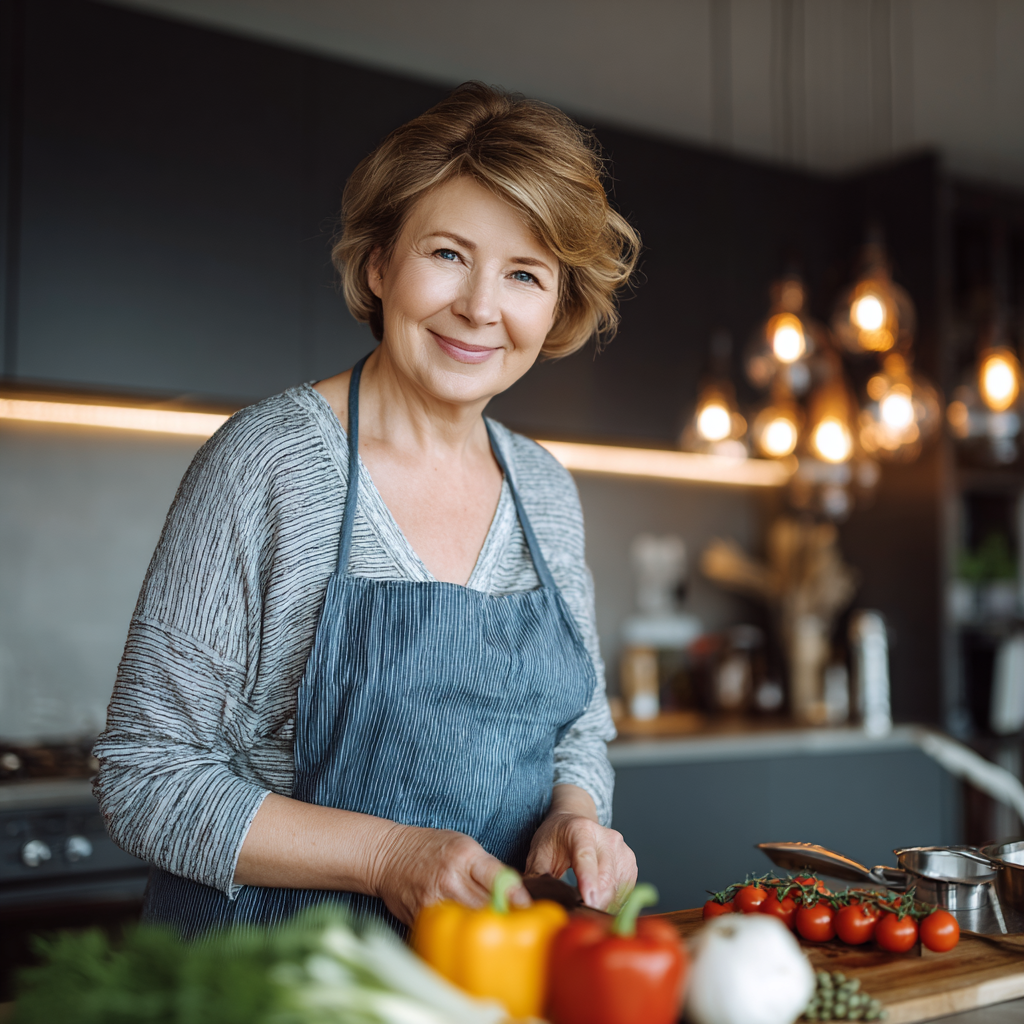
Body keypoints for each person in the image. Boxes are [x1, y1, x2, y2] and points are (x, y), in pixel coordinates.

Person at [94, 82, 641, 938]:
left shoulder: (545, 490)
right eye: (449, 254)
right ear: (380, 262)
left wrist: (576, 814)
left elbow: (579, 730)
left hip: (479, 978)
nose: (481, 307)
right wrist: (388, 858)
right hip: (270, 981)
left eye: (525, 274)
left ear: (558, 307)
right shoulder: (268, 462)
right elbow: (146, 774)